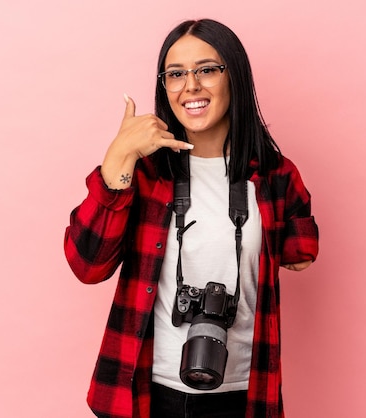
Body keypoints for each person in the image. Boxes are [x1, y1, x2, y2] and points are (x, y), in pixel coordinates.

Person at [64, 18, 319, 418]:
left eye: (207, 69)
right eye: (176, 74)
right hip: (153, 390)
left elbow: (301, 252)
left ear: (233, 76)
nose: (191, 86)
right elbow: (87, 265)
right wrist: (118, 157)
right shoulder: (146, 173)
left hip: (245, 391)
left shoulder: (275, 175)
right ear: (164, 86)